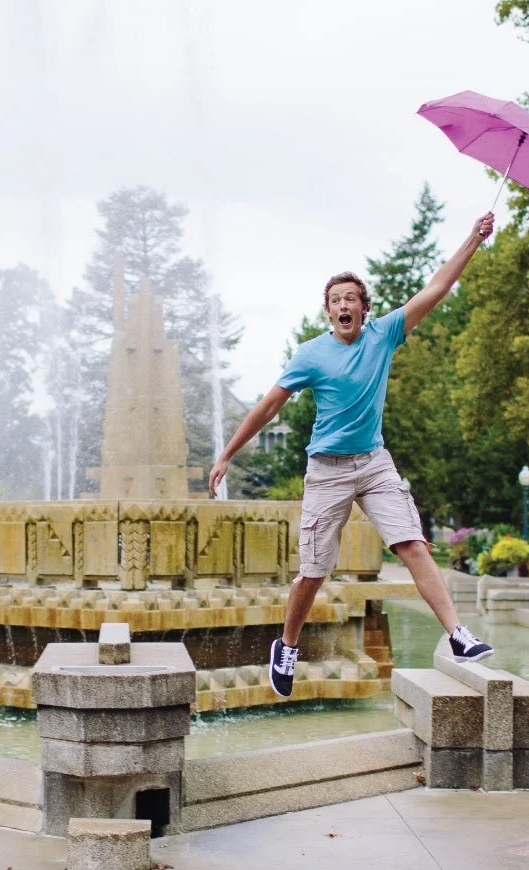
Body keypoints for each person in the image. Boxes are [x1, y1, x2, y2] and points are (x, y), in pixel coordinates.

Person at [209, 212, 496, 698]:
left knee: (411, 543)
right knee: (314, 571)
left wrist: (474, 237)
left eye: (351, 299)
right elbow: (267, 407)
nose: (344, 306)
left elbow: (437, 288)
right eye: (335, 300)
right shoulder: (311, 355)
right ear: (328, 311)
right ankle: (288, 644)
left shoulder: (384, 335)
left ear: (364, 309)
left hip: (375, 462)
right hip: (327, 471)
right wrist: (226, 455)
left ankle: (457, 635)